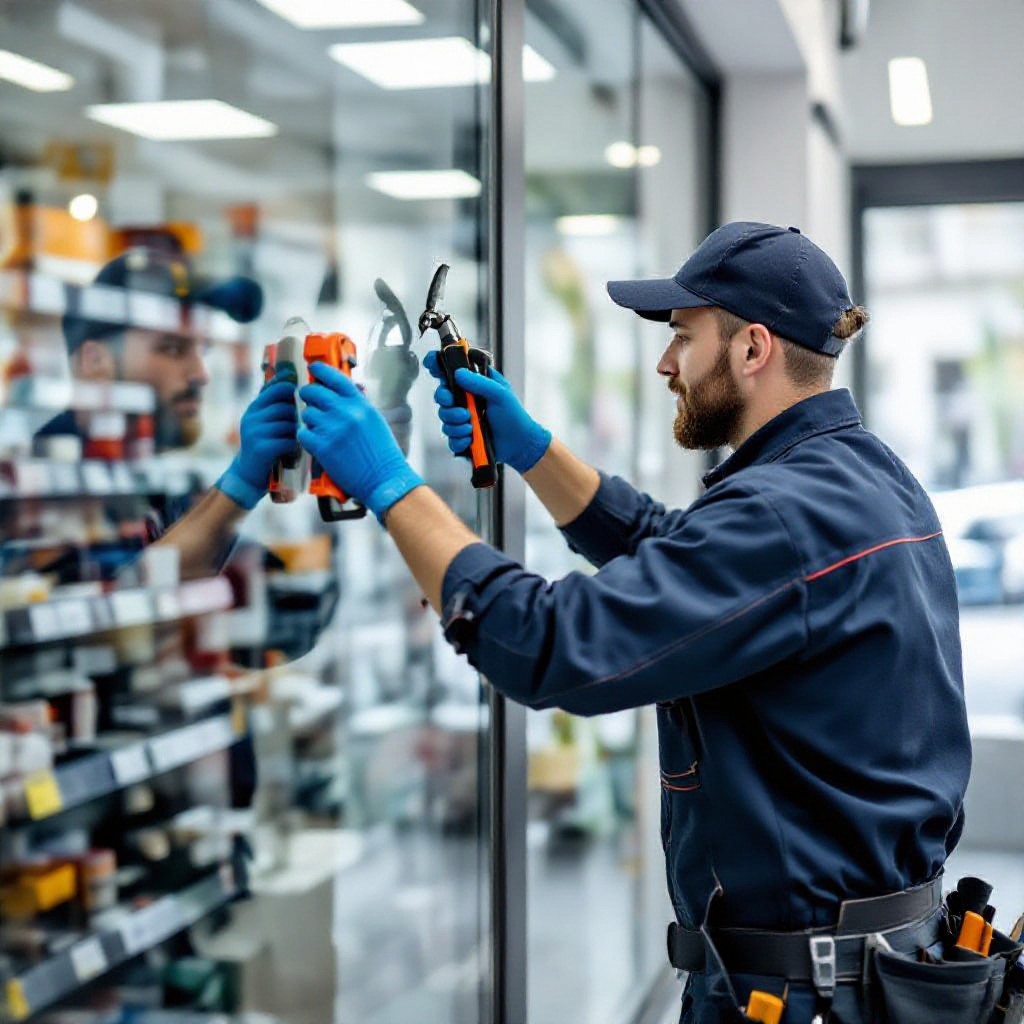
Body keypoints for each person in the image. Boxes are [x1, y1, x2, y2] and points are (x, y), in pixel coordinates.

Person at [296, 222, 972, 1023]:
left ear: (753, 349)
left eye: (684, 338)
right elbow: (683, 556)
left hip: (806, 993)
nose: (664, 363)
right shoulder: (862, 476)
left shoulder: (785, 515)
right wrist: (531, 448)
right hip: (866, 965)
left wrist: (387, 480)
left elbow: (552, 646)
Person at [39, 246, 299, 579]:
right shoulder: (46, 482)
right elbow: (112, 609)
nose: (201, 373)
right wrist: (240, 486)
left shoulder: (153, 475)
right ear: (95, 362)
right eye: (173, 348)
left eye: (202, 349)